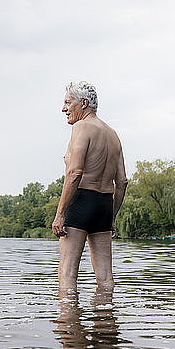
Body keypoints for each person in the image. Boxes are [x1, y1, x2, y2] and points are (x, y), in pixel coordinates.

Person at [52, 81, 128, 293]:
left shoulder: (81, 127)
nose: (63, 108)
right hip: (104, 204)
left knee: (67, 276)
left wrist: (60, 214)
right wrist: (112, 217)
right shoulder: (113, 135)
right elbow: (122, 182)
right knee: (105, 279)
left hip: (82, 201)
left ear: (84, 103)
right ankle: (106, 321)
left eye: (68, 103)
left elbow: (75, 172)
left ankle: (67, 323)